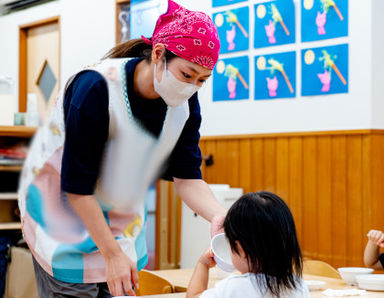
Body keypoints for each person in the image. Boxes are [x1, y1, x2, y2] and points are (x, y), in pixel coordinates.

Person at [18, 0, 226, 297]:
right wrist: (112, 255)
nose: (192, 86)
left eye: (202, 81)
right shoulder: (96, 88)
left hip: (118, 222)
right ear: (158, 54)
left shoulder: (184, 106)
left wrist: (220, 216)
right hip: (61, 216)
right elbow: (77, 188)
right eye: (187, 74)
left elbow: (188, 179)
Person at [187, 191, 310, 298]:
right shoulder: (298, 286)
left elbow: (193, 296)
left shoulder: (233, 288)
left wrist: (202, 264)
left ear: (241, 250)